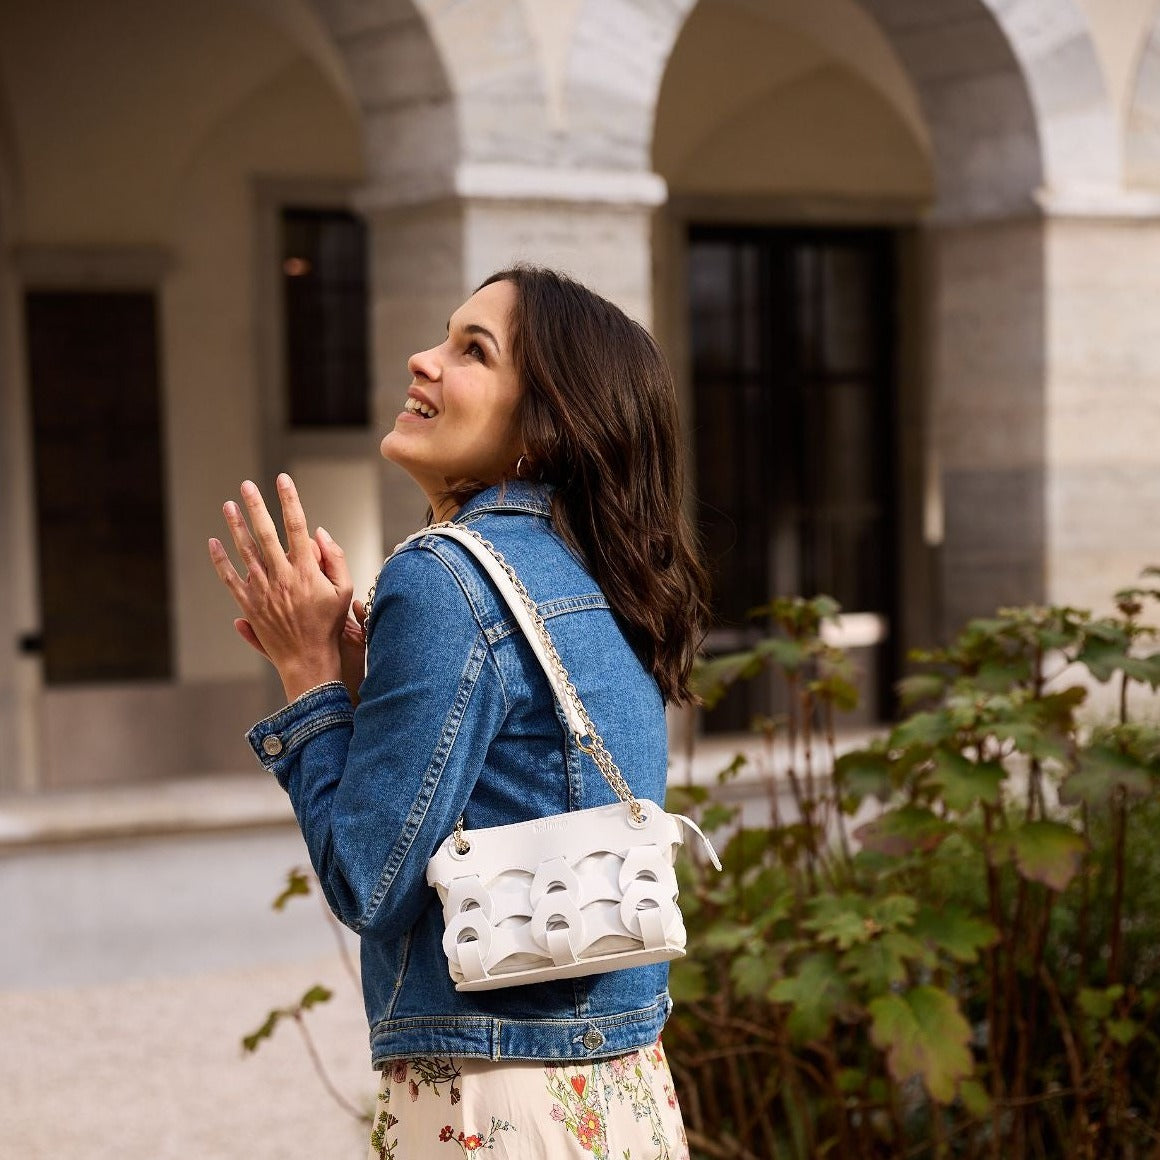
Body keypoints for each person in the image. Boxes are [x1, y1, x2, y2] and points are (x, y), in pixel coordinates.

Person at [208, 266, 710, 1158]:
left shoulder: (443, 576)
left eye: (471, 351)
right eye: (444, 337)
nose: (423, 360)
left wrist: (309, 673)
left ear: (544, 423)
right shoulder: (604, 577)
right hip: (625, 1086)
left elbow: (372, 882)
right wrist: (370, 689)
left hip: (494, 1098)